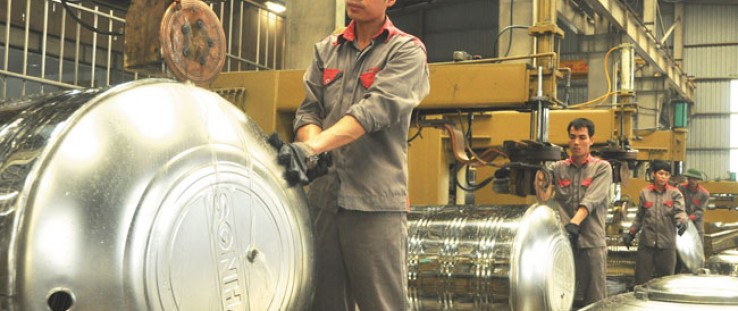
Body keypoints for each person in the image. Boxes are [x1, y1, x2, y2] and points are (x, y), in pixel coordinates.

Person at [270, 0, 430, 310]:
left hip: (374, 206)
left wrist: (311, 148)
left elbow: (372, 111)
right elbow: (309, 111)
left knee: (382, 304)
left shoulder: (406, 51)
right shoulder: (326, 49)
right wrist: (312, 152)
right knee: (323, 303)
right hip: (324, 202)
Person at [536, 118, 613, 306]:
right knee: (561, 295)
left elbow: (591, 200)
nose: (576, 142)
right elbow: (544, 196)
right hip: (565, 244)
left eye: (582, 137)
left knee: (595, 299)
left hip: (592, 244)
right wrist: (539, 177)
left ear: (591, 140)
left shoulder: (602, 168)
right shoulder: (557, 168)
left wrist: (574, 223)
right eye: (572, 137)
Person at [623, 160, 688, 285]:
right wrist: (631, 233)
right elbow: (639, 217)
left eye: (666, 174)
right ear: (654, 174)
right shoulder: (644, 193)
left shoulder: (675, 194)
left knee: (666, 282)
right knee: (641, 280)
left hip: (667, 245)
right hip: (647, 245)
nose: (663, 177)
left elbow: (680, 212)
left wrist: (681, 222)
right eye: (661, 173)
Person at [675, 168, 709, 273]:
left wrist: (689, 219)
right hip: (681, 223)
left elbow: (700, 211)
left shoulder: (704, 193)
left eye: (694, 179)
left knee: (697, 252)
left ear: (698, 180)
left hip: (696, 225)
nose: (691, 181)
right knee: (679, 250)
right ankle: (678, 271)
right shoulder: (680, 189)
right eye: (689, 179)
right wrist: (682, 219)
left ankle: (698, 272)